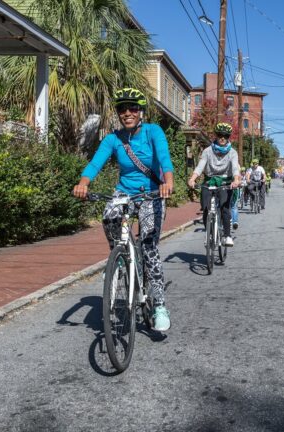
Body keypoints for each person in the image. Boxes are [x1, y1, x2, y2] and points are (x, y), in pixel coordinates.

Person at [73, 87, 174, 332]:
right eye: (122, 109)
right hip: (124, 192)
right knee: (108, 217)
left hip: (151, 192)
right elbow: (96, 162)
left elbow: (163, 157)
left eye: (132, 108)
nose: (127, 113)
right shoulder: (113, 139)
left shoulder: (153, 131)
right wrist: (83, 183)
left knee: (149, 245)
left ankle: (159, 304)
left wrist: (168, 182)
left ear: (141, 112)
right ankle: (120, 255)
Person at [187, 123, 241, 246]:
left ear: (228, 137)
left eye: (225, 136)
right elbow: (200, 166)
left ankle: (227, 236)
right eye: (220, 135)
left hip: (225, 182)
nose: (222, 138)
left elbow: (235, 169)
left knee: (224, 207)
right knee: (206, 208)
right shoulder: (208, 151)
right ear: (216, 136)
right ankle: (209, 234)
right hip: (209, 180)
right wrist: (192, 179)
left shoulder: (232, 152)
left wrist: (236, 180)